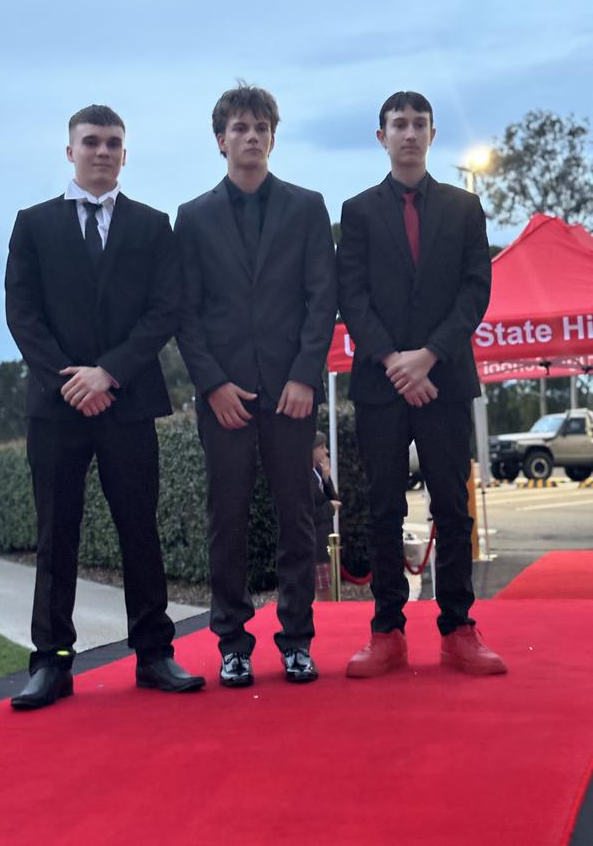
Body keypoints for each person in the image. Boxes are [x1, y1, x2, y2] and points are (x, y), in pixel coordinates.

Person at [5, 104, 205, 710]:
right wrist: (71, 380)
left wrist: (108, 373)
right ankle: (52, 663)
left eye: (113, 143)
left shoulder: (151, 226)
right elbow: (23, 314)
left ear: (125, 153)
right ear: (70, 151)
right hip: (56, 404)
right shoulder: (33, 224)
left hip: (128, 402)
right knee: (55, 535)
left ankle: (152, 654)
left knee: (139, 532)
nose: (102, 151)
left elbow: (164, 310)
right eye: (90, 142)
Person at [336, 91, 506, 678]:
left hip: (446, 381)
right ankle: (387, 631)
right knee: (381, 510)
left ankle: (459, 627)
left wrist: (428, 356)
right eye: (398, 124)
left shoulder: (464, 208)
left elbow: (474, 291)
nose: (409, 133)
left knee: (453, 510)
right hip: (381, 385)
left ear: (432, 135)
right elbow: (351, 295)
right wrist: (392, 360)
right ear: (380, 136)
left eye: (419, 124)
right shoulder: (356, 212)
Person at [176, 84, 336, 687]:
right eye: (240, 127)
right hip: (224, 399)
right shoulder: (190, 219)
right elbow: (185, 314)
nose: (251, 136)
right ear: (221, 140)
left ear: (273, 136)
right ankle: (232, 643)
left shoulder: (306, 207)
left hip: (292, 392)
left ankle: (296, 639)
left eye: (261, 127)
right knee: (229, 520)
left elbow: (323, 301)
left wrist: (303, 377)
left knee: (298, 518)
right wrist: (213, 385)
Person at [312, 432, 341, 601]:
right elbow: (308, 512)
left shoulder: (318, 473)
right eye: (321, 447)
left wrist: (326, 477)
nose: (326, 451)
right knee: (323, 592)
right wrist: (329, 508)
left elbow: (334, 498)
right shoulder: (305, 477)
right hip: (316, 543)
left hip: (324, 540)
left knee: (326, 589)